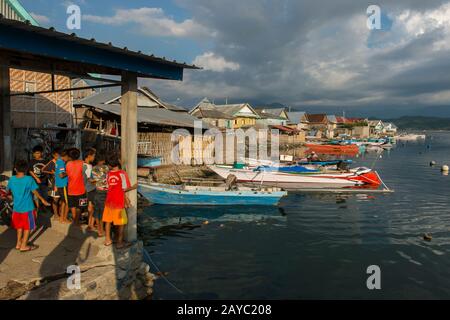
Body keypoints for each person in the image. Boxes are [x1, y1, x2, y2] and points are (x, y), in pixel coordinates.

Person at [7, 160, 50, 252]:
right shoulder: (29, 179)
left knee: (19, 227)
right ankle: (24, 245)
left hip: (16, 208)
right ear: (26, 169)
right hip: (28, 208)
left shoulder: (12, 179)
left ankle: (18, 243)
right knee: (28, 227)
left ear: (15, 169)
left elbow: (8, 192)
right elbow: (34, 191)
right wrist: (42, 200)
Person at [103, 155, 137, 248]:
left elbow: (107, 186)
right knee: (121, 223)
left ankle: (107, 240)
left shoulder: (108, 174)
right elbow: (124, 188)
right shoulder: (122, 174)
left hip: (109, 201)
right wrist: (134, 186)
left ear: (110, 165)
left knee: (108, 221)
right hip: (118, 202)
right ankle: (119, 242)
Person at [42, 147, 68, 222]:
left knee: (62, 199)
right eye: (56, 155)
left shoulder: (62, 162)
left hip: (61, 183)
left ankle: (60, 214)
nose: (58, 157)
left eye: (59, 155)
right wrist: (52, 173)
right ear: (54, 155)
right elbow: (43, 169)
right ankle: (56, 215)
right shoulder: (52, 162)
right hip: (54, 183)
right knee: (55, 199)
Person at [64, 148, 87, 225]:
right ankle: (77, 220)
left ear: (70, 156)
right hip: (81, 189)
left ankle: (74, 219)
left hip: (71, 189)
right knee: (80, 206)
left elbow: (67, 173)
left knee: (72, 205)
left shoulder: (68, 164)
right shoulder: (83, 163)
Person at [91, 153, 109, 237]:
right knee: (102, 213)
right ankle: (102, 231)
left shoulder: (93, 168)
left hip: (96, 191)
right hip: (104, 192)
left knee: (97, 212)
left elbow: (92, 180)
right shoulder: (105, 168)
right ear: (102, 160)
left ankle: (99, 230)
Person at [28, 145, 48, 212]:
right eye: (35, 153)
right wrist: (36, 178)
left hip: (44, 181)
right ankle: (38, 208)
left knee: (44, 195)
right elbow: (30, 171)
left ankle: (43, 207)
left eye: (38, 153)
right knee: (36, 195)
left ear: (41, 153)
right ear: (33, 154)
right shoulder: (32, 161)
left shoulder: (45, 161)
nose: (37, 155)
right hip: (35, 182)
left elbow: (48, 170)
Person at [83, 148, 96, 231]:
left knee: (88, 207)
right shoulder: (89, 166)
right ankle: (90, 225)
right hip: (90, 189)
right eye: (93, 156)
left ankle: (89, 224)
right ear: (89, 156)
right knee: (91, 208)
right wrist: (99, 181)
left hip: (84, 189)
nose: (94, 158)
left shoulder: (82, 165)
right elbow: (89, 179)